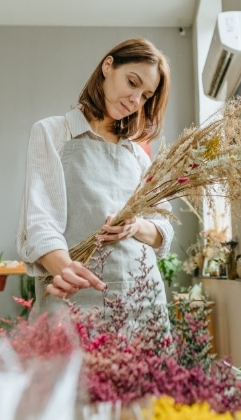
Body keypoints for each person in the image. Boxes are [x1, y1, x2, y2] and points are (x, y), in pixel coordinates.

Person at [16, 38, 173, 315]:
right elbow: (39, 224)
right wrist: (65, 270)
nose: (136, 100)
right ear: (108, 66)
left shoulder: (136, 155)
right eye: (132, 82)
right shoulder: (53, 133)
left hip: (142, 299)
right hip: (75, 294)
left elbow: (164, 230)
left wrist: (135, 226)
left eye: (146, 95)